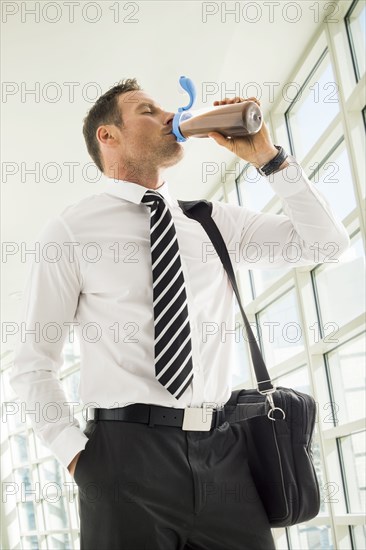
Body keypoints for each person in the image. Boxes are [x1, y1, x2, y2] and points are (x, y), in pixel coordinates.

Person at [10, 78, 350, 550]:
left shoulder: (212, 220)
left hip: (224, 451)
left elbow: (327, 243)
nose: (170, 115)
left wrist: (268, 160)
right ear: (107, 136)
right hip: (122, 456)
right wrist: (78, 458)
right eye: (148, 110)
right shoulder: (72, 229)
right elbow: (31, 362)